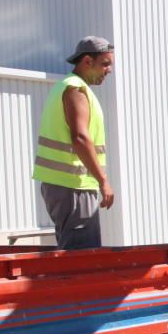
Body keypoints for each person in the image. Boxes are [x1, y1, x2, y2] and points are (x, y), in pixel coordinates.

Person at [31, 36, 115, 249]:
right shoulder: (75, 89)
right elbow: (80, 137)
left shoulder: (66, 86)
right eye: (105, 63)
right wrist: (103, 180)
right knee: (80, 257)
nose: (109, 70)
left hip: (65, 185)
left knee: (72, 252)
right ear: (87, 61)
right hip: (73, 185)